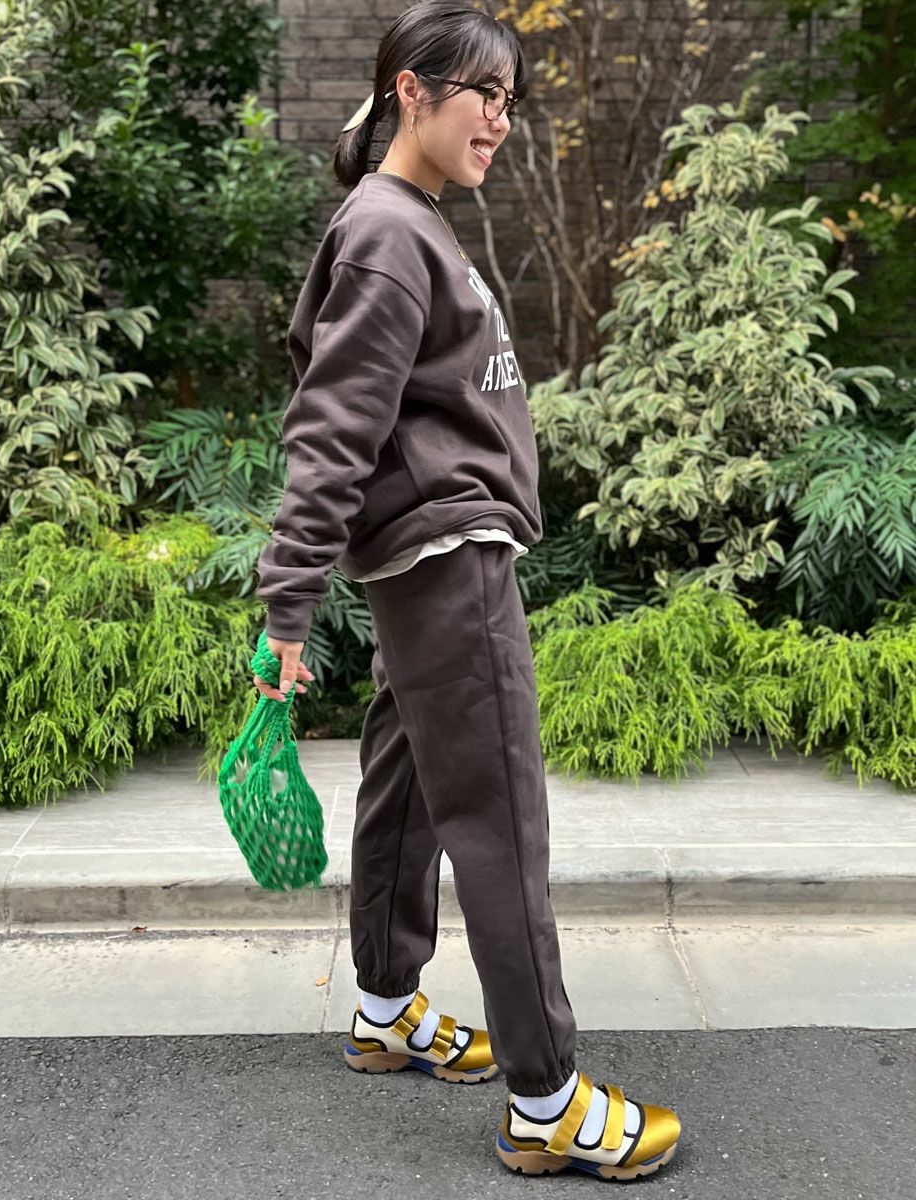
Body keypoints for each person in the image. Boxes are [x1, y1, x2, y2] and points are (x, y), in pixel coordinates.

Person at [252, 0, 681, 1180]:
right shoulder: (389, 231)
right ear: (412, 91)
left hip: (424, 559)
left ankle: (386, 1008)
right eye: (482, 92)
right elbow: (332, 429)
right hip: (448, 561)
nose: (500, 117)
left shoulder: (402, 221)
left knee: (409, 789)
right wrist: (288, 602)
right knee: (499, 819)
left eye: (509, 98)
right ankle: (546, 1102)